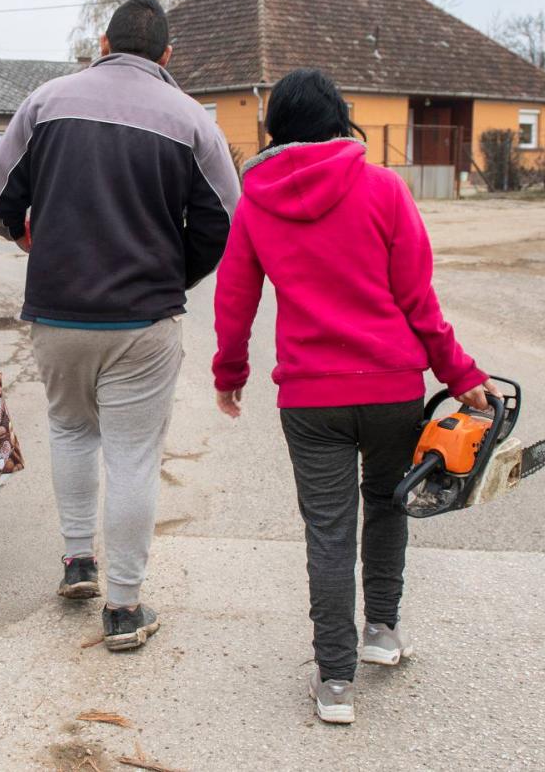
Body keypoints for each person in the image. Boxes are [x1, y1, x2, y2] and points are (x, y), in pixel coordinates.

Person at [211, 69, 494, 723]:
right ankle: (382, 634)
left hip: (310, 402)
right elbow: (418, 300)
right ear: (340, 120)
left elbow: (235, 299)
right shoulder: (384, 188)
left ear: (274, 129)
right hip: (393, 387)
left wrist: (230, 376)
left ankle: (335, 682)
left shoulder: (257, 202)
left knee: (329, 533)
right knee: (388, 506)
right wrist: (461, 377)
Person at [0, 0, 240, 651]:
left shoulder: (46, 102)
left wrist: (21, 234)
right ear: (168, 56)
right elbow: (225, 220)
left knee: (70, 431)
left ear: (103, 41)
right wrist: (174, 274)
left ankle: (77, 562)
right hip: (142, 320)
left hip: (57, 310)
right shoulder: (191, 121)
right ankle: (124, 608)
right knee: (132, 456)